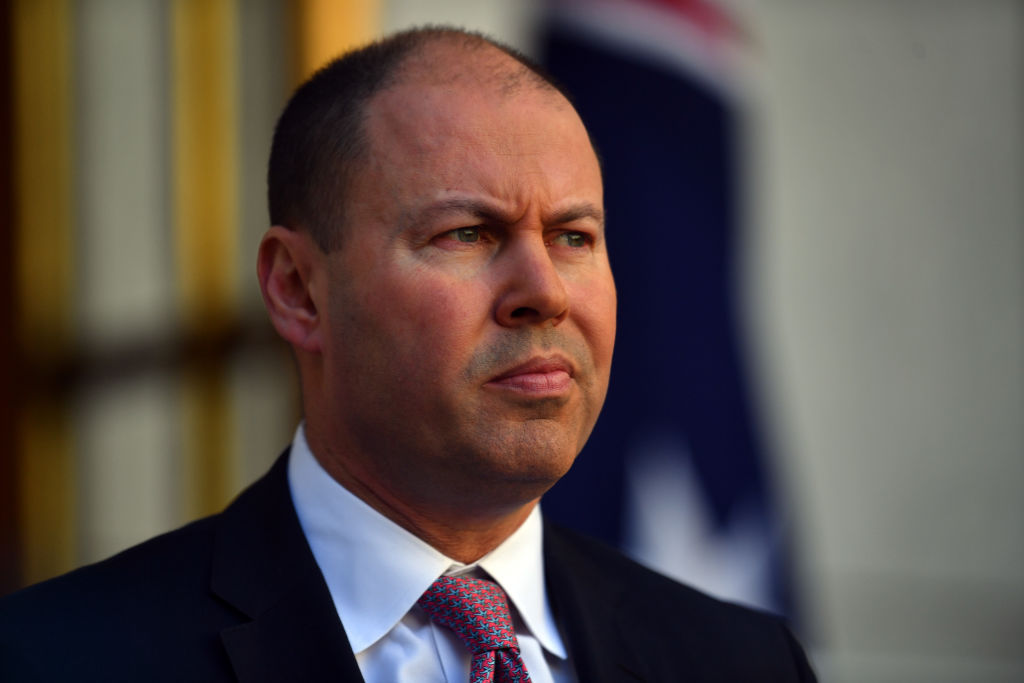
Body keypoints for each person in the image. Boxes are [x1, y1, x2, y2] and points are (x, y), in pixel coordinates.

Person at [0, 27, 816, 682]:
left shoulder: (744, 661)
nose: (545, 290)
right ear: (298, 289)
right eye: (467, 233)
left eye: (574, 236)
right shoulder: (58, 659)